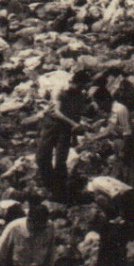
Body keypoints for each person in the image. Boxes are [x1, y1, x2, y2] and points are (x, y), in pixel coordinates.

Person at [33, 68, 90, 200]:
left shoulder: (80, 95)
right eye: (79, 85)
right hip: (51, 125)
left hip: (66, 128)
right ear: (74, 82)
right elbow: (56, 112)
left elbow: (77, 115)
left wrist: (74, 132)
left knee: (61, 160)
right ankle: (49, 184)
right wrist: (73, 124)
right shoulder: (60, 90)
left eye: (83, 87)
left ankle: (59, 190)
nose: (80, 89)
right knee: (42, 156)